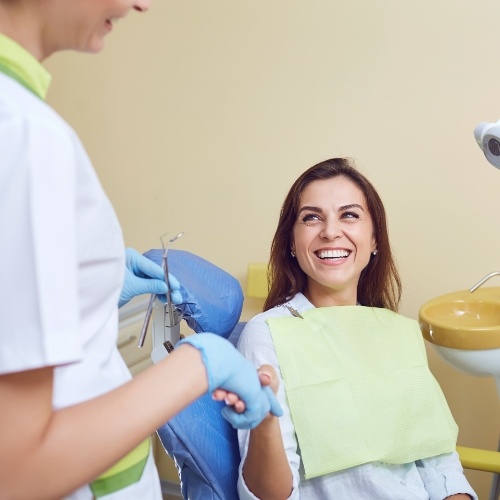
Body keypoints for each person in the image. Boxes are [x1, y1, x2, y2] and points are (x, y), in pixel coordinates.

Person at [0, 1, 280, 498]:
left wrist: (93, 287)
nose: (140, 3)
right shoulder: (25, 134)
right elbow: (15, 469)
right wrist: (200, 363)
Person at [234, 158, 477, 499]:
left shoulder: (397, 332)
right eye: (311, 217)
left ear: (375, 239)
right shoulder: (268, 334)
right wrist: (264, 420)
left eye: (349, 214)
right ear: (291, 241)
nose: (330, 231)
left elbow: (440, 466)